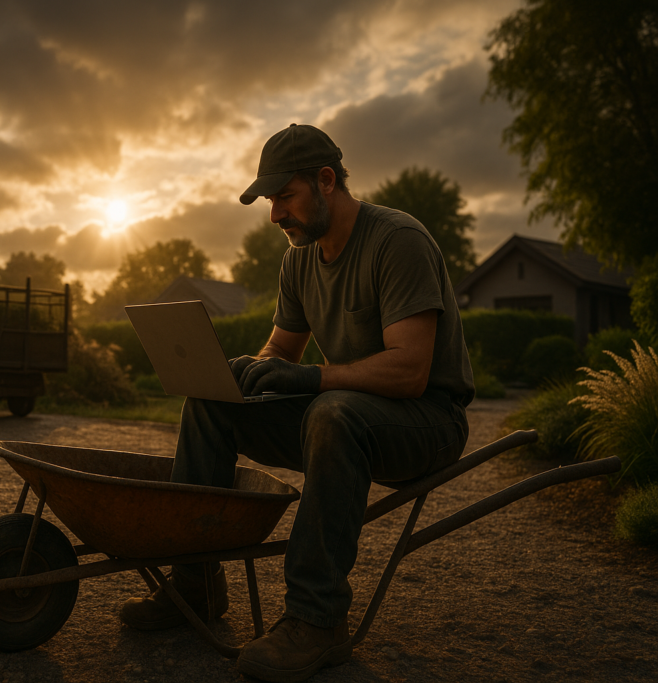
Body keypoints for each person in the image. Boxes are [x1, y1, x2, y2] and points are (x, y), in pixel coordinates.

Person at [119, 123, 475, 682]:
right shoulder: (299, 259)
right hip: (344, 414)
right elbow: (281, 350)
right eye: (268, 200)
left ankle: (317, 620)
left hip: (425, 423)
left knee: (333, 412)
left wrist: (309, 378)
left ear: (326, 180)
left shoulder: (396, 241)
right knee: (213, 402)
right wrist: (248, 372)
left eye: (284, 196)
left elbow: (410, 370)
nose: (274, 214)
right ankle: (196, 583)